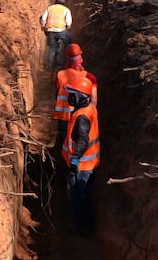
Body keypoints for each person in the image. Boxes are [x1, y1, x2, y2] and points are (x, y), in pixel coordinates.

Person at [61, 76, 100, 236]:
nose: (69, 96)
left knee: (79, 199)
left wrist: (75, 159)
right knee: (86, 197)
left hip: (81, 167)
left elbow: (83, 139)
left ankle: (81, 228)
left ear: (81, 96)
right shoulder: (90, 108)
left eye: (72, 93)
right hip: (89, 164)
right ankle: (87, 225)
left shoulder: (81, 117)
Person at [53, 43, 98, 146]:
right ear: (80, 57)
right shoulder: (89, 77)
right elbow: (94, 101)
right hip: (81, 118)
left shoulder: (60, 75)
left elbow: (57, 95)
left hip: (63, 118)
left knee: (64, 144)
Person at [40, 0, 72, 69]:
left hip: (50, 30)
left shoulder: (50, 8)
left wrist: (43, 26)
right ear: (63, 3)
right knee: (69, 45)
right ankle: (69, 63)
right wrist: (67, 27)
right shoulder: (66, 9)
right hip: (61, 30)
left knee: (52, 48)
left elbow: (43, 19)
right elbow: (68, 22)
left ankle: (50, 65)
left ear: (55, 2)